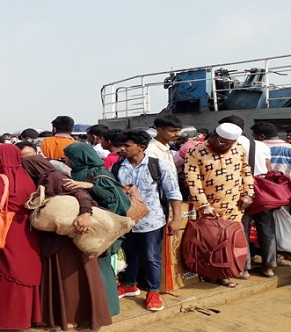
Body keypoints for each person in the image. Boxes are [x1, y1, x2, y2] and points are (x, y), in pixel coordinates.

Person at [21, 155, 112, 330]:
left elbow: (82, 195)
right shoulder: (45, 178)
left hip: (69, 240)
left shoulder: (55, 178)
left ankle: (73, 317)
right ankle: (68, 316)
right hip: (61, 236)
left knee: (70, 279)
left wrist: (85, 213)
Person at [115, 130, 182, 311]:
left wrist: (176, 219)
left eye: (127, 146)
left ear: (141, 147)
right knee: (129, 255)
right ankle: (129, 284)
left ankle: (153, 292)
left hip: (152, 222)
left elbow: (174, 194)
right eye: (122, 145)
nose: (122, 149)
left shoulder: (159, 166)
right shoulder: (117, 168)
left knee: (152, 257)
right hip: (127, 222)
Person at [63, 142, 131, 316]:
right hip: (93, 226)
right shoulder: (79, 172)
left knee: (101, 267)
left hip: (102, 228)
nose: (65, 159)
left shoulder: (96, 172)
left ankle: (107, 307)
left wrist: (90, 186)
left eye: (68, 156)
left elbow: (112, 197)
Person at [184, 123, 255, 288]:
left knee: (230, 241)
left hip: (234, 205)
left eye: (230, 144)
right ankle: (211, 273)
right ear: (214, 136)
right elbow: (193, 181)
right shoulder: (195, 152)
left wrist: (248, 194)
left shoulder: (239, 149)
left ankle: (228, 273)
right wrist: (203, 205)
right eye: (223, 142)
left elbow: (246, 172)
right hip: (209, 207)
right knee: (211, 243)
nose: (226, 146)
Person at [0, 144, 42, 330]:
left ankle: (10, 320)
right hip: (28, 231)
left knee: (6, 274)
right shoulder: (26, 176)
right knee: (27, 271)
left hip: (7, 233)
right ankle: (32, 316)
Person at [218, 116, 271, 279]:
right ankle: (268, 267)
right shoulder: (261, 145)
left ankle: (244, 268)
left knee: (241, 230)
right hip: (261, 193)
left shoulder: (228, 145)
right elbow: (269, 170)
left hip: (238, 193)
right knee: (267, 230)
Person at [249, 122, 288, 277]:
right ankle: (271, 264)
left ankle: (246, 264)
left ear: (262, 136)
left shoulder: (259, 146)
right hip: (280, 194)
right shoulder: (289, 148)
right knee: (269, 229)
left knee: (246, 228)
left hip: (255, 192)